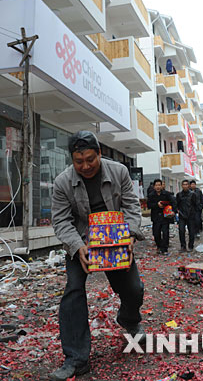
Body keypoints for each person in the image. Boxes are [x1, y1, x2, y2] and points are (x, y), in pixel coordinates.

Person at [50, 131, 145, 381]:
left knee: (133, 288)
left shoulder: (119, 172)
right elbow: (61, 221)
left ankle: (129, 319)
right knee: (73, 291)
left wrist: (131, 236)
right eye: (79, 161)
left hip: (116, 240)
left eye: (90, 159)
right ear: (72, 160)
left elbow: (132, 207)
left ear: (99, 154)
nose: (86, 166)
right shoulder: (62, 182)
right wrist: (76, 246)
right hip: (81, 242)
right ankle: (76, 359)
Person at [147, 179, 176, 254]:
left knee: (166, 233)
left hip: (165, 216)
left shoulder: (167, 194)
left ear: (162, 186)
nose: (158, 187)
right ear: (154, 186)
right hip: (156, 217)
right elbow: (149, 205)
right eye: (156, 185)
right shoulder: (151, 195)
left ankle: (165, 249)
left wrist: (173, 211)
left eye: (159, 185)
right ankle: (159, 246)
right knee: (156, 234)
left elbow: (173, 202)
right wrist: (157, 204)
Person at [176, 179, 198, 252]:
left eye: (186, 184)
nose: (185, 186)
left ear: (188, 185)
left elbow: (195, 204)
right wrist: (178, 211)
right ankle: (183, 246)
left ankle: (191, 246)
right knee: (181, 231)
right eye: (183, 184)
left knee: (191, 231)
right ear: (182, 186)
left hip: (191, 215)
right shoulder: (179, 195)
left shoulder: (192, 194)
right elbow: (177, 204)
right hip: (182, 215)